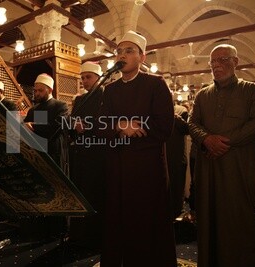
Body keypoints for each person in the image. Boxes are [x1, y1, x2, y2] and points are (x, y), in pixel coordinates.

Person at [97, 30, 177, 266]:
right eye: (119, 51)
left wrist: (138, 126)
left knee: (146, 228)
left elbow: (165, 127)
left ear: (142, 58)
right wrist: (121, 126)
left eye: (129, 51)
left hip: (147, 171)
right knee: (117, 226)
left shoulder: (156, 84)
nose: (122, 55)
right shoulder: (109, 90)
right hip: (117, 169)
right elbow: (100, 127)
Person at [188, 44, 255, 267]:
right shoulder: (203, 95)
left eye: (222, 60)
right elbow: (192, 123)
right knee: (210, 217)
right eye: (212, 62)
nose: (216, 65)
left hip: (239, 167)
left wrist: (224, 142)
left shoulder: (252, 90)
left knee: (240, 218)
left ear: (236, 62)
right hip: (209, 169)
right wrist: (206, 139)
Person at [68, 61, 106, 250]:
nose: (84, 81)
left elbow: (109, 122)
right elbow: (70, 123)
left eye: (88, 77)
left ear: (98, 78)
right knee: (81, 194)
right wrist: (74, 127)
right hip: (81, 154)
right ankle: (79, 235)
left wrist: (87, 126)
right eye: (82, 77)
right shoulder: (79, 99)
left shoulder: (106, 96)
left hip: (99, 155)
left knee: (96, 193)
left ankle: (95, 238)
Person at [24, 73, 69, 172]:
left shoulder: (60, 106)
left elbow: (57, 126)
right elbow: (25, 127)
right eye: (35, 91)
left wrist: (33, 126)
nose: (37, 93)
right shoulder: (33, 110)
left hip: (54, 152)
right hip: (36, 153)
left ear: (50, 90)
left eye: (40, 90)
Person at [166, 104, 189, 220]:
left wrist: (175, 117)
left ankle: (176, 216)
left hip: (177, 157)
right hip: (161, 157)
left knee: (176, 188)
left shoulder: (181, 111)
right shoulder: (154, 111)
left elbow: (188, 129)